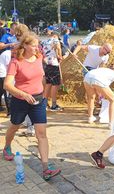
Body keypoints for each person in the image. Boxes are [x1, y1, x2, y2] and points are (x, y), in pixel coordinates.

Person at [3, 32, 61, 180]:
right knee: (15, 125)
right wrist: (23, 94)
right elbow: (7, 85)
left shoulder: (39, 57)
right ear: (26, 46)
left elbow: (41, 77)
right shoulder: (16, 62)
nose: (37, 47)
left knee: (41, 134)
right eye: (34, 45)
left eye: (37, 45)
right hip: (20, 101)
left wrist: (43, 95)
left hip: (38, 101)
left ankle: (46, 168)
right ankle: (7, 146)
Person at [42, 31, 62, 111]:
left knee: (48, 84)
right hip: (54, 64)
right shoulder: (55, 40)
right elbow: (58, 49)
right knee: (55, 85)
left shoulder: (44, 41)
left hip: (47, 64)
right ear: (55, 35)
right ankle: (54, 105)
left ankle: (44, 104)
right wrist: (59, 56)